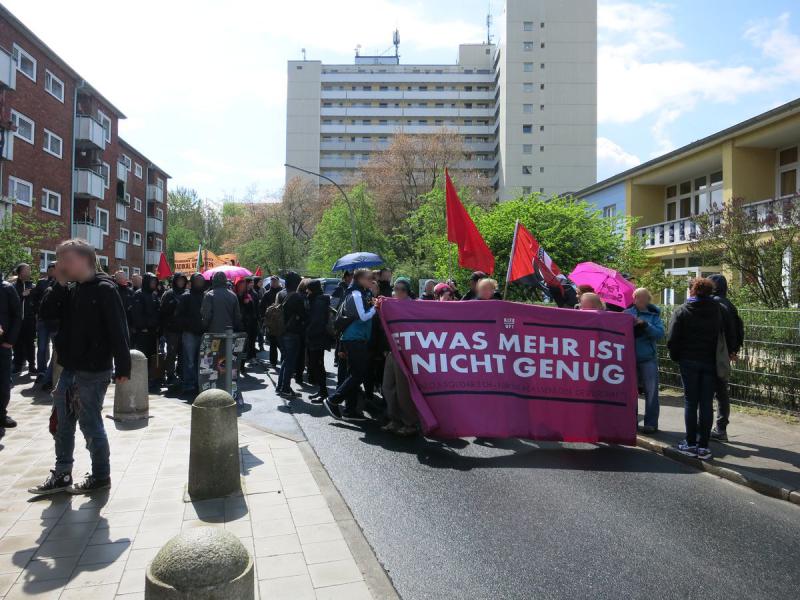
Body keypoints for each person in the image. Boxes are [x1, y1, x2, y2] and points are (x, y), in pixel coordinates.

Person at [30, 239, 130, 495]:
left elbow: (119, 330)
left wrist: (123, 367)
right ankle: (62, 474)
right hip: (69, 368)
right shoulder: (69, 287)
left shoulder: (105, 289)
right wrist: (60, 285)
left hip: (94, 370)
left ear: (83, 260)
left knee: (89, 423)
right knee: (63, 424)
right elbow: (46, 312)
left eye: (65, 259)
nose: (59, 265)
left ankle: (100, 476)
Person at [667, 277, 736, 461]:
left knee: (691, 402)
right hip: (711, 361)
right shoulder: (719, 310)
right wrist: (730, 351)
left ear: (693, 291)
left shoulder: (682, 311)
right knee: (706, 403)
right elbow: (730, 331)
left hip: (688, 361)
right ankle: (703, 447)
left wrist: (677, 357)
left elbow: (672, 338)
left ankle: (690, 443)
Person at [324, 269, 376, 421]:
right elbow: (363, 316)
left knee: (354, 374)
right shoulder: (356, 294)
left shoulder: (362, 293)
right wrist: (375, 308)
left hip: (358, 338)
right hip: (353, 338)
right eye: (369, 278)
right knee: (357, 374)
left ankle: (350, 410)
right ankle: (333, 399)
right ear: (359, 279)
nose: (371, 280)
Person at [708, 274, 744, 442]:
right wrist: (733, 350)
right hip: (725, 354)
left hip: (709, 354)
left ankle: (706, 428)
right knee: (722, 392)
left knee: (707, 392)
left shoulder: (711, 304)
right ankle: (721, 428)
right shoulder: (730, 305)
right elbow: (737, 329)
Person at [381, 278, 419, 436]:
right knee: (387, 386)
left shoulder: (414, 306)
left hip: (405, 353)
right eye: (395, 288)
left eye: (401, 289)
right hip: (392, 351)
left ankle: (409, 423)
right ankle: (394, 419)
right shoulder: (391, 304)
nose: (398, 291)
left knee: (403, 391)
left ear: (407, 290)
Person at [624, 288, 664, 433]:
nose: (639, 301)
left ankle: (651, 423)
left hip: (648, 358)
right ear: (633, 299)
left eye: (642, 298)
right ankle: (630, 422)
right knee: (630, 393)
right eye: (637, 298)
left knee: (651, 392)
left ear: (648, 299)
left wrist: (646, 325)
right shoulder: (626, 314)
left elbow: (660, 334)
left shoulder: (654, 316)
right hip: (629, 359)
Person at [276, 272, 306, 397]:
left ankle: (280, 386)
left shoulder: (282, 294)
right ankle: (285, 388)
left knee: (286, 360)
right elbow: (304, 315)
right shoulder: (297, 297)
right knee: (290, 362)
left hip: (282, 331)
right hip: (292, 333)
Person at [175, 273, 206, 396]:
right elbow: (178, 315)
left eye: (202, 280)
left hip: (203, 333)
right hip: (190, 334)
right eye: (197, 280)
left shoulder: (205, 296)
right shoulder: (186, 297)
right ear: (192, 282)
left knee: (202, 361)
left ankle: (199, 383)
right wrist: (189, 325)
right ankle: (189, 385)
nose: (200, 283)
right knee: (189, 361)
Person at [130, 272, 161, 389]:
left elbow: (158, 311)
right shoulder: (138, 295)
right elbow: (137, 314)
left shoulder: (154, 295)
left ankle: (151, 379)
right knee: (142, 358)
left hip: (153, 333)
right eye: (152, 282)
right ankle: (141, 380)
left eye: (155, 282)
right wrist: (144, 326)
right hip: (143, 333)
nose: (154, 284)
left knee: (152, 358)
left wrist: (157, 326)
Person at [0, 276, 22, 440]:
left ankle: (1, 414)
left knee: (3, 382)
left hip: (3, 345)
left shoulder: (7, 288)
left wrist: (9, 341)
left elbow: (17, 315)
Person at [30, 263, 58, 388]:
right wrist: (37, 312)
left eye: (54, 270)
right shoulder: (42, 283)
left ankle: (50, 373)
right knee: (41, 347)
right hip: (42, 320)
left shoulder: (63, 283)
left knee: (56, 349)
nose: (52, 272)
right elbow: (34, 299)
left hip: (55, 322)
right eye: (51, 270)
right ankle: (42, 371)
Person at [305, 279, 332, 403]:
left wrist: (308, 333)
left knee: (318, 365)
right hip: (317, 338)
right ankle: (322, 390)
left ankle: (324, 392)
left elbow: (316, 322)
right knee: (316, 366)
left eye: (308, 289)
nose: (307, 291)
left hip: (317, 339)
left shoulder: (318, 302)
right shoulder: (318, 300)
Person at [159, 273, 187, 386]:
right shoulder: (168, 294)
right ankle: (170, 374)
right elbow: (162, 311)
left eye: (182, 280)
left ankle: (180, 373)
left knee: (182, 353)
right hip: (172, 330)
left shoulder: (186, 293)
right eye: (179, 280)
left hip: (183, 329)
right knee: (171, 353)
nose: (181, 282)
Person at [12, 263, 36, 374]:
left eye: (29, 270)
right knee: (17, 344)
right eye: (26, 270)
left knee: (30, 343)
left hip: (29, 321)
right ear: (20, 272)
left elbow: (37, 302)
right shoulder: (12, 287)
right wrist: (22, 295)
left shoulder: (33, 286)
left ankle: (32, 365)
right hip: (17, 322)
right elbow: (11, 304)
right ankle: (18, 365)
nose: (29, 272)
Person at [234, 277, 258, 372]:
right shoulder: (233, 296)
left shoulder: (248, 296)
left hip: (245, 326)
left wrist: (248, 304)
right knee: (235, 348)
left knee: (243, 347)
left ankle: (242, 365)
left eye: (243, 285)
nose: (242, 287)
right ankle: (235, 365)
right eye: (240, 285)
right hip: (235, 326)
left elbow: (252, 312)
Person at [262, 275, 283, 366]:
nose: (273, 283)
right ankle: (273, 361)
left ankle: (284, 361)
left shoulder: (282, 293)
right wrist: (265, 317)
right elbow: (262, 307)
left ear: (278, 282)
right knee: (273, 343)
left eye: (275, 281)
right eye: (272, 281)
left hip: (281, 321)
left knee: (281, 343)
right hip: (271, 322)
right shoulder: (267, 294)